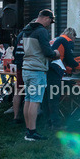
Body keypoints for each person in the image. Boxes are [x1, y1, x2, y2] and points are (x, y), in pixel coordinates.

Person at [20, 9, 57, 141]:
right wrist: (56, 53)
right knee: (35, 102)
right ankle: (32, 131)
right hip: (37, 70)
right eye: (50, 21)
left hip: (26, 68)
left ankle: (28, 129)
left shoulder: (26, 29)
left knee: (28, 100)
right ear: (46, 18)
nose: (49, 24)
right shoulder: (42, 31)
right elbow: (48, 52)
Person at [44, 27, 78, 128]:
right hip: (54, 71)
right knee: (54, 98)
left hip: (45, 70)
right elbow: (70, 59)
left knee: (46, 98)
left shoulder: (55, 40)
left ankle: (48, 123)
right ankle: (56, 124)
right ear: (72, 36)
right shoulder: (67, 41)